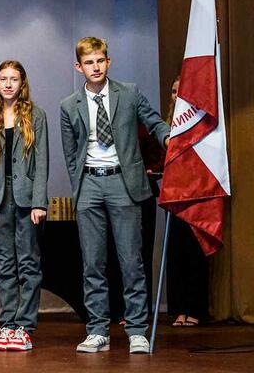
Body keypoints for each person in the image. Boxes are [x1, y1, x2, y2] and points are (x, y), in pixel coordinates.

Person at [60, 37, 169, 354]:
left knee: (131, 261)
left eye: (100, 60)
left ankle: (136, 329)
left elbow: (154, 121)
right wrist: (80, 186)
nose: (95, 67)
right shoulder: (69, 105)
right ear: (78, 67)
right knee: (93, 262)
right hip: (90, 184)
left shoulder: (129, 92)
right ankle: (97, 329)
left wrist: (169, 139)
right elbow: (71, 153)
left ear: (108, 62)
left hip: (123, 181)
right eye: (88, 62)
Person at [0, 60, 48, 352]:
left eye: (14, 79)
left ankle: (24, 327)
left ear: (22, 83)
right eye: (3, 79)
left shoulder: (36, 115)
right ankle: (7, 325)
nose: (8, 84)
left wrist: (39, 202)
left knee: (28, 263)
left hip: (27, 199)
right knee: (4, 263)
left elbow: (42, 162)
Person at [164, 75, 209, 327]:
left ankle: (195, 308)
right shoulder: (166, 125)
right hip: (173, 196)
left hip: (196, 195)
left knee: (195, 252)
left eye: (180, 91)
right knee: (175, 253)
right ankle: (178, 309)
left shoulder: (200, 122)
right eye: (173, 92)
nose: (176, 96)